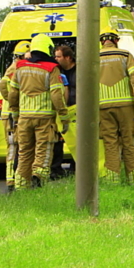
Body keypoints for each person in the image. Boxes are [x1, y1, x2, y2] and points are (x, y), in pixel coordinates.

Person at [8, 34, 69, 189]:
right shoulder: (52, 69)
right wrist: (63, 115)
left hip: (24, 118)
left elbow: (13, 93)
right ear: (47, 48)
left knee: (24, 153)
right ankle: (38, 178)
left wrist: (15, 114)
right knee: (43, 151)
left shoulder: (20, 67)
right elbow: (57, 95)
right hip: (45, 118)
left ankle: (21, 187)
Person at [98, 31, 134, 184]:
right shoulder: (125, 55)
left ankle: (113, 181)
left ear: (102, 42)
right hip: (125, 106)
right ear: (116, 40)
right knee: (129, 142)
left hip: (103, 107)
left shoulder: (94, 58)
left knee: (110, 144)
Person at [0, 40, 31, 193]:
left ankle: (16, 179)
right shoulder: (16, 68)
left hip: (13, 112)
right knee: (13, 147)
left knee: (18, 146)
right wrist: (12, 102)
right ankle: (11, 181)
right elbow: (2, 84)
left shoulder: (17, 67)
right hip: (11, 114)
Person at [53, 44, 78, 177]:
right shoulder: (57, 71)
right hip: (62, 110)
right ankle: (56, 169)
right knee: (57, 140)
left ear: (68, 57)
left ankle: (76, 168)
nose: (55, 59)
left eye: (58, 56)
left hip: (78, 110)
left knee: (78, 140)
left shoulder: (80, 70)